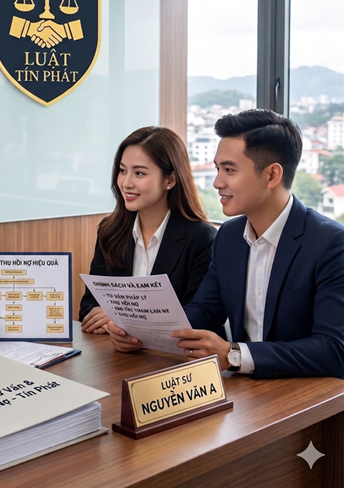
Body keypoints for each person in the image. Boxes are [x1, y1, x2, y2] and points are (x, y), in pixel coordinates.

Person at [109, 110, 344, 379]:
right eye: (218, 168)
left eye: (229, 170)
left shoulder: (330, 243)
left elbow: (334, 349)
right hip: (245, 388)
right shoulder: (229, 235)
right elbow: (206, 310)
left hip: (306, 392)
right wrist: (139, 331)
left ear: (272, 175)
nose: (217, 182)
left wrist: (235, 355)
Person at [79, 126, 216, 334]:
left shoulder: (201, 237)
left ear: (170, 180)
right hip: (116, 350)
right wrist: (113, 326)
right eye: (122, 171)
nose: (126, 183)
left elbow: (199, 316)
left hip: (173, 352)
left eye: (139, 173)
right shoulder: (110, 230)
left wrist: (123, 319)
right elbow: (89, 305)